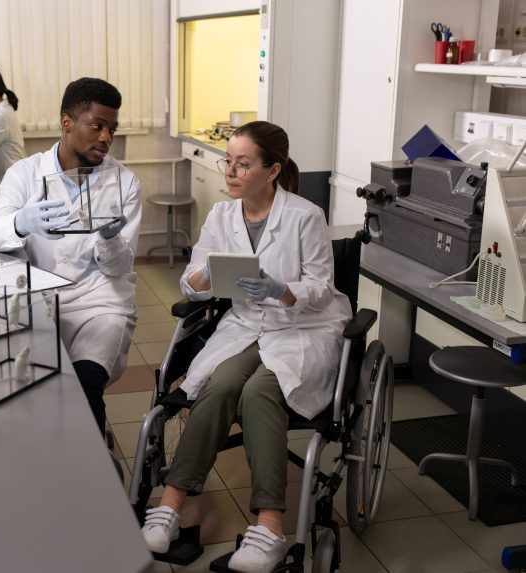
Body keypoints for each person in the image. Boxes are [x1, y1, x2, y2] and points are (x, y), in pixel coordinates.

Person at [139, 121, 351, 573]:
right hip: (245, 324)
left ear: (272, 170)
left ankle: (270, 527)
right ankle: (171, 505)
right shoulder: (221, 216)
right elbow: (192, 279)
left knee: (258, 393)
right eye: (228, 161)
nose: (230, 172)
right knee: (219, 386)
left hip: (303, 328)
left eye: (242, 163)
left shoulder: (304, 216)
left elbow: (320, 287)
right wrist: (203, 277)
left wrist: (281, 290)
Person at [0, 77, 141, 437]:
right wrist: (23, 222)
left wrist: (109, 238)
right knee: (33, 393)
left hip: (100, 303)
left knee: (85, 388)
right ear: (67, 123)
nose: (106, 138)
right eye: (96, 126)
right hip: (40, 300)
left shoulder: (124, 183)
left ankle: (95, 473)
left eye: (111, 129)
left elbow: (119, 267)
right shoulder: (25, 174)